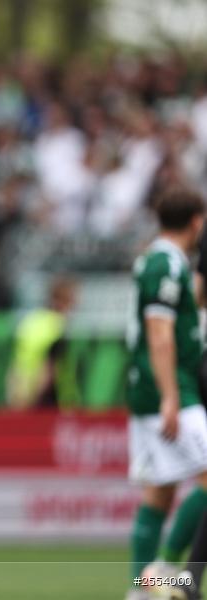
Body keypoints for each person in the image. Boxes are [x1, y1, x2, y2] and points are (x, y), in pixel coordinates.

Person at [125, 189, 207, 600]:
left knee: (160, 489)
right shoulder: (167, 265)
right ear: (196, 221)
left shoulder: (156, 260)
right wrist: (172, 395)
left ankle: (140, 590)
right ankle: (166, 574)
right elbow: (160, 335)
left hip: (155, 387)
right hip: (172, 387)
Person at [6, 276, 79, 410]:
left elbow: (17, 362)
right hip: (46, 399)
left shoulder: (31, 321)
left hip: (22, 391)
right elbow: (49, 369)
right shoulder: (57, 327)